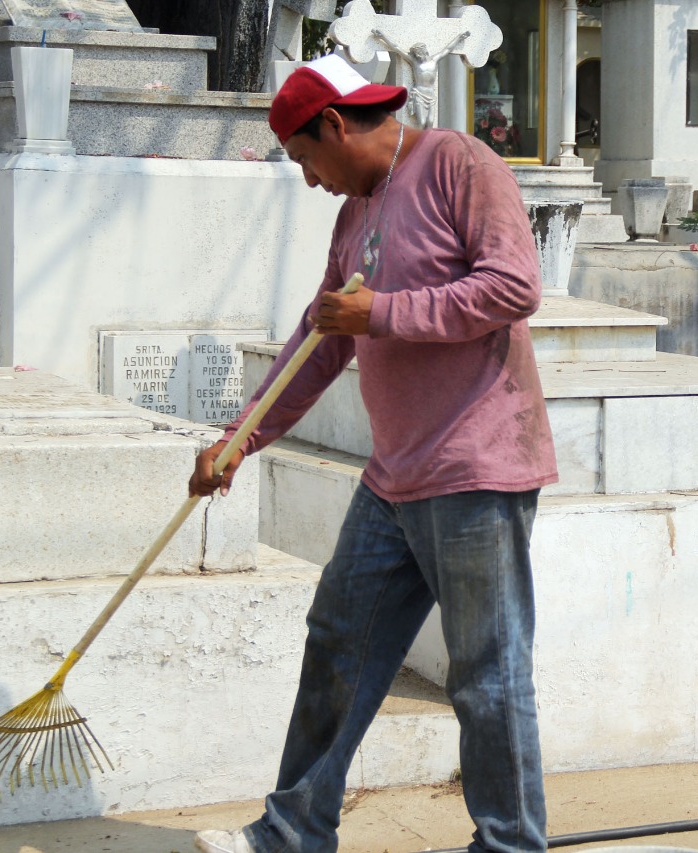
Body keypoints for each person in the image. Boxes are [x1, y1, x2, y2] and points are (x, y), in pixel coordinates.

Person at [188, 53, 557, 853]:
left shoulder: (461, 162)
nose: (310, 179)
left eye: (303, 158)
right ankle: (292, 831)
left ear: (331, 125)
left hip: (476, 467)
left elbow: (514, 286)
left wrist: (383, 313)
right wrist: (240, 436)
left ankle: (508, 845)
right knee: (338, 638)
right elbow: (320, 340)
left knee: (486, 676)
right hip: (393, 478)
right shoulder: (355, 210)